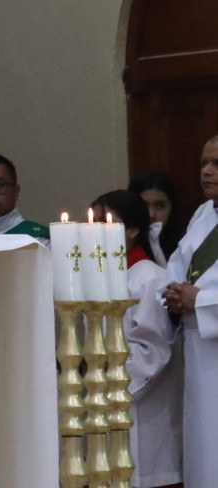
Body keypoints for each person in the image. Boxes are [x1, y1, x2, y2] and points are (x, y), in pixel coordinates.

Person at [93, 190, 181, 488]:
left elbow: (153, 349)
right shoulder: (96, 277)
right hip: (101, 404)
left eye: (106, 222)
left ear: (132, 230)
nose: (95, 231)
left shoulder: (148, 277)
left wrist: (103, 376)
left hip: (138, 410)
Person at [163, 135, 218, 488]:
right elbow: (174, 269)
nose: (207, 172)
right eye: (203, 164)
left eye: (216, 164)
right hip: (199, 354)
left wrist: (200, 301)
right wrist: (170, 295)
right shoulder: (203, 215)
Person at [131, 169, 187, 266]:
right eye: (143, 205)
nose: (151, 214)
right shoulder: (122, 246)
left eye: (160, 206)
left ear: (172, 207)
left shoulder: (186, 243)